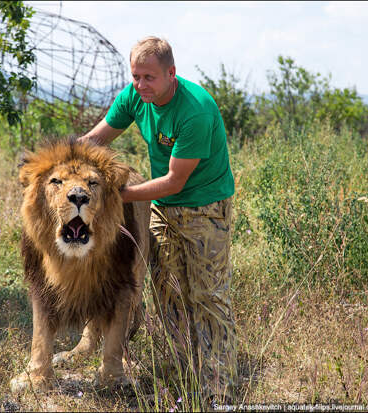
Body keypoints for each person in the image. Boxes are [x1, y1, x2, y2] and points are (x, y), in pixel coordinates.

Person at [78, 36, 237, 405]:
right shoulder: (135, 96)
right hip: (162, 209)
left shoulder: (194, 110)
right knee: (168, 294)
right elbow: (96, 138)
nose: (140, 84)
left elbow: (174, 181)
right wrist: (62, 162)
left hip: (204, 208)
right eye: (135, 76)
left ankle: (219, 386)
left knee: (207, 295)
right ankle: (185, 373)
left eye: (149, 77)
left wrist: (115, 194)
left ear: (171, 74)